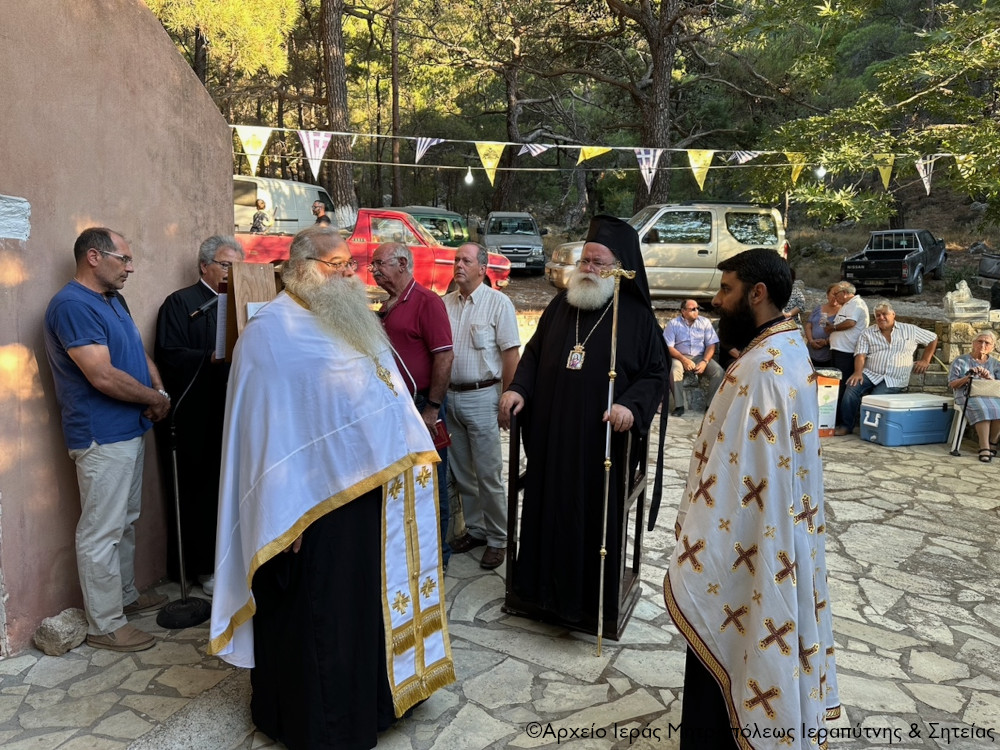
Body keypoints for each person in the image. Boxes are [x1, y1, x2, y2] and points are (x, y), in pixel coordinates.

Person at [209, 225, 454, 750]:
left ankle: (376, 703)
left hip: (368, 500)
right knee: (321, 619)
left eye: (349, 264)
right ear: (300, 265)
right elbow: (266, 437)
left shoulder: (352, 321)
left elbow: (387, 400)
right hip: (306, 514)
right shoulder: (270, 333)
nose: (348, 273)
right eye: (336, 264)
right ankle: (323, 721)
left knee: (364, 608)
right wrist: (280, 514)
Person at [664, 248, 840, 748]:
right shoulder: (785, 349)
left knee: (734, 648)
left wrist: (701, 544)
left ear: (756, 294)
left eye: (726, 290)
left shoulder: (763, 369)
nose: (717, 302)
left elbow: (738, 474)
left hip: (748, 543)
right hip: (770, 532)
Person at [498, 215, 666, 629]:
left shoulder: (637, 318)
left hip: (601, 446)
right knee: (547, 511)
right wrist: (519, 387)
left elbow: (656, 375)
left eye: (598, 262)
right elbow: (534, 355)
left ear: (621, 268)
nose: (588, 268)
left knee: (588, 520)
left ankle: (586, 603)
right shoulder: (561, 305)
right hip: (553, 440)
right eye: (585, 260)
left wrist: (630, 405)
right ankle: (537, 594)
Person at [44, 227, 170, 652]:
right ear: (94, 257)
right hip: (101, 435)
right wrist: (155, 398)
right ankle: (104, 623)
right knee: (102, 530)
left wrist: (156, 386)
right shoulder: (71, 305)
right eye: (124, 259)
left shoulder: (113, 299)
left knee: (125, 519)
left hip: (129, 428)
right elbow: (100, 374)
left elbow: (134, 347)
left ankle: (125, 598)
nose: (130, 267)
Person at [154, 235, 245, 595]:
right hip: (196, 413)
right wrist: (207, 358)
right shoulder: (180, 303)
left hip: (232, 407)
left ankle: (231, 559)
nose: (231, 272)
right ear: (204, 266)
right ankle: (202, 567)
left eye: (237, 266)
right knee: (201, 489)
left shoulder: (240, 302)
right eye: (226, 265)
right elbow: (169, 353)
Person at [371, 241, 454, 565]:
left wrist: (433, 407)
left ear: (403, 264)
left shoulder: (427, 302)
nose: (374, 269)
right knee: (400, 483)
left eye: (380, 263)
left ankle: (438, 560)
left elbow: (444, 356)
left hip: (422, 406)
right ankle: (405, 555)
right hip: (394, 408)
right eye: (373, 265)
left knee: (431, 483)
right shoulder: (387, 305)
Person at [443, 243, 520, 570]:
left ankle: (499, 538)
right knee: (463, 472)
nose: (458, 264)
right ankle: (476, 529)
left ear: (482, 268)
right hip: (451, 397)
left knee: (489, 473)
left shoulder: (498, 304)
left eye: (466, 260)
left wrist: (508, 396)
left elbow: (510, 355)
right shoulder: (444, 304)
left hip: (483, 397)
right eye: (456, 259)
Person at [835, 301, 938, 436]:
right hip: (871, 373)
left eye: (885, 314)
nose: (881, 317)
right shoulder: (867, 333)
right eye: (878, 315)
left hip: (894, 378)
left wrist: (925, 360)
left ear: (893, 314)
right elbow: (861, 355)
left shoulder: (910, 330)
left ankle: (870, 429)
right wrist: (858, 372)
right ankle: (846, 426)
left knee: (876, 399)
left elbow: (933, 338)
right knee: (851, 389)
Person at [662, 299, 723, 416]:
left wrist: (705, 361)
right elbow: (668, 347)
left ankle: (710, 406)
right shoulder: (673, 324)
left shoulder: (704, 322)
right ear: (683, 311)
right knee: (674, 370)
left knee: (718, 372)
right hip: (679, 356)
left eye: (697, 308)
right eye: (693, 309)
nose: (696, 311)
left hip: (700, 357)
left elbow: (711, 345)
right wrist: (684, 360)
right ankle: (679, 406)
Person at [948, 330, 1000, 462]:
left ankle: (993, 442)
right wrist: (968, 377)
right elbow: (952, 384)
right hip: (967, 394)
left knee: (996, 408)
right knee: (983, 408)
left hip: (990, 395)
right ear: (973, 343)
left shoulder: (995, 364)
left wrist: (988, 377)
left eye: (987, 343)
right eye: (980, 341)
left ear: (992, 347)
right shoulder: (960, 361)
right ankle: (984, 447)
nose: (982, 345)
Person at [824, 282, 869, 382]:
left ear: (844, 292)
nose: (835, 297)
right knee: (835, 382)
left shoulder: (856, 303)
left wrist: (833, 328)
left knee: (841, 382)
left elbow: (850, 322)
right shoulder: (847, 305)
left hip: (846, 351)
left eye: (836, 294)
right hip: (839, 349)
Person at [804, 283, 842, 367]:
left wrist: (825, 342)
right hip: (811, 351)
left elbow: (841, 334)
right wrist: (811, 341)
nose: (835, 297)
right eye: (833, 294)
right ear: (827, 295)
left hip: (829, 354)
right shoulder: (818, 308)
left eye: (838, 294)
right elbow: (808, 325)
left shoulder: (843, 312)